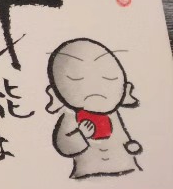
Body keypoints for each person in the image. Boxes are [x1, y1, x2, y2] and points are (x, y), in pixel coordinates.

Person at [46, 38, 142, 179]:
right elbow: (64, 146)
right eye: (77, 79)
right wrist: (80, 135)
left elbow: (121, 136)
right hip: (88, 173)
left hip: (127, 168)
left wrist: (130, 146)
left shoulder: (112, 113)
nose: (95, 89)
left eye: (108, 78)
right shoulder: (70, 115)